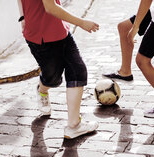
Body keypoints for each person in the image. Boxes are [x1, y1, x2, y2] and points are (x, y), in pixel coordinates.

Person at [17, 0, 99, 139]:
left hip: (60, 31)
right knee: (52, 79)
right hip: (41, 38)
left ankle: (73, 125)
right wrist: (81, 22)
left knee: (78, 70)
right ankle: (42, 91)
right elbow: (50, 7)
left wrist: (23, 16)